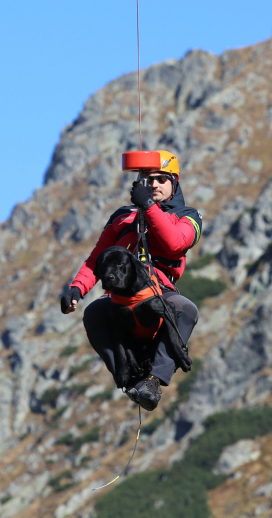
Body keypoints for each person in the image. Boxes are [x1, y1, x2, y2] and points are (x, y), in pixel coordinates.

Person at [59, 150, 202, 411]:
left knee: (185, 309)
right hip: (119, 297)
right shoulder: (121, 217)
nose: (154, 184)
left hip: (159, 293)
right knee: (94, 313)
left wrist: (148, 207)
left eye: (161, 179)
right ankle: (127, 379)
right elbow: (96, 259)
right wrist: (76, 288)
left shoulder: (188, 216)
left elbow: (175, 244)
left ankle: (153, 381)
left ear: (174, 183)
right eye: (148, 179)